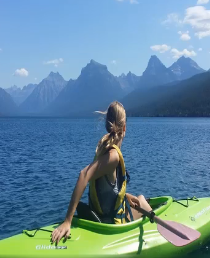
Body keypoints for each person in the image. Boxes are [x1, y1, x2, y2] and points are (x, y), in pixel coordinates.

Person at [51, 101, 153, 244]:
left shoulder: (105, 149)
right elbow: (84, 175)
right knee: (142, 200)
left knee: (138, 198)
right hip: (110, 224)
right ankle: (157, 239)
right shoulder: (113, 156)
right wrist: (68, 221)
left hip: (102, 215)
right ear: (124, 127)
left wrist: (125, 196)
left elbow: (106, 191)